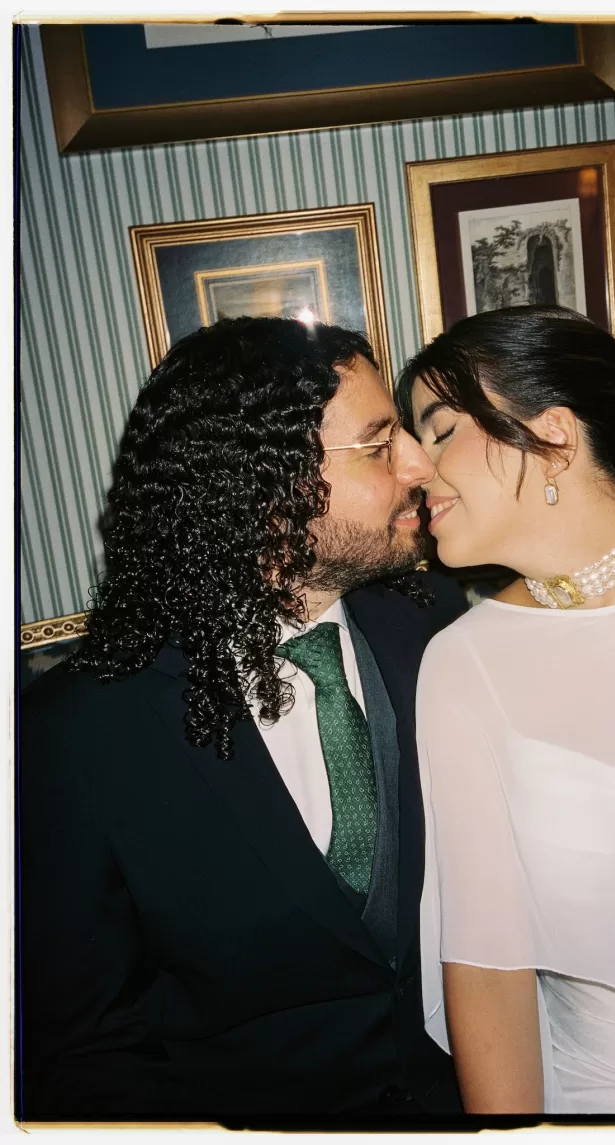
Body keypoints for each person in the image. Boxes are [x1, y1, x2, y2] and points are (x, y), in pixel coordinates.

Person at [18, 316, 467, 1123]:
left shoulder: (439, 623)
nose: (419, 464)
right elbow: (86, 1049)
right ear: (266, 489)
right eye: (378, 444)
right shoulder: (79, 735)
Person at [398, 305, 615, 1115]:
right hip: (600, 1100)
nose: (414, 466)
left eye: (441, 430)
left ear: (553, 435)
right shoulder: (460, 664)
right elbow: (487, 971)